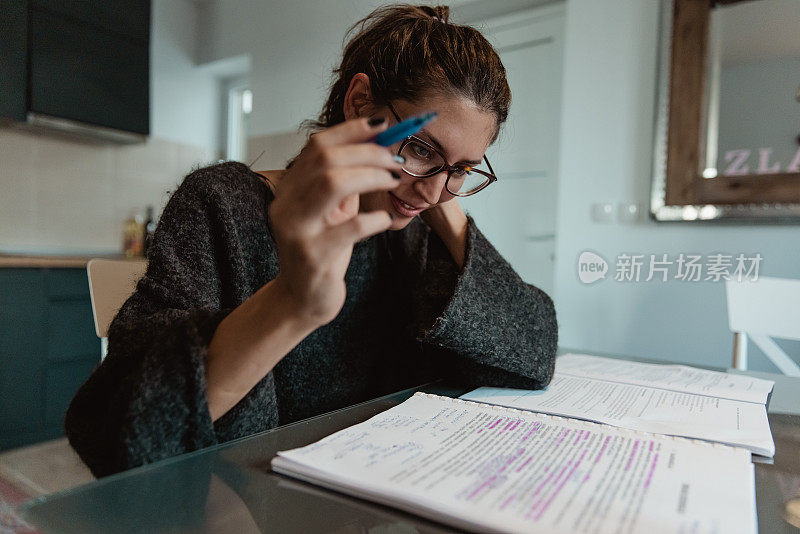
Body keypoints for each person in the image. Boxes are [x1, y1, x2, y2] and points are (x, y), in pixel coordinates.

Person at [65, 3, 558, 478]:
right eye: (419, 146)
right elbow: (119, 434)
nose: (431, 192)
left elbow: (532, 353)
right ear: (359, 101)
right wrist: (294, 302)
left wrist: (443, 201)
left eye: (464, 169)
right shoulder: (224, 204)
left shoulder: (412, 234)